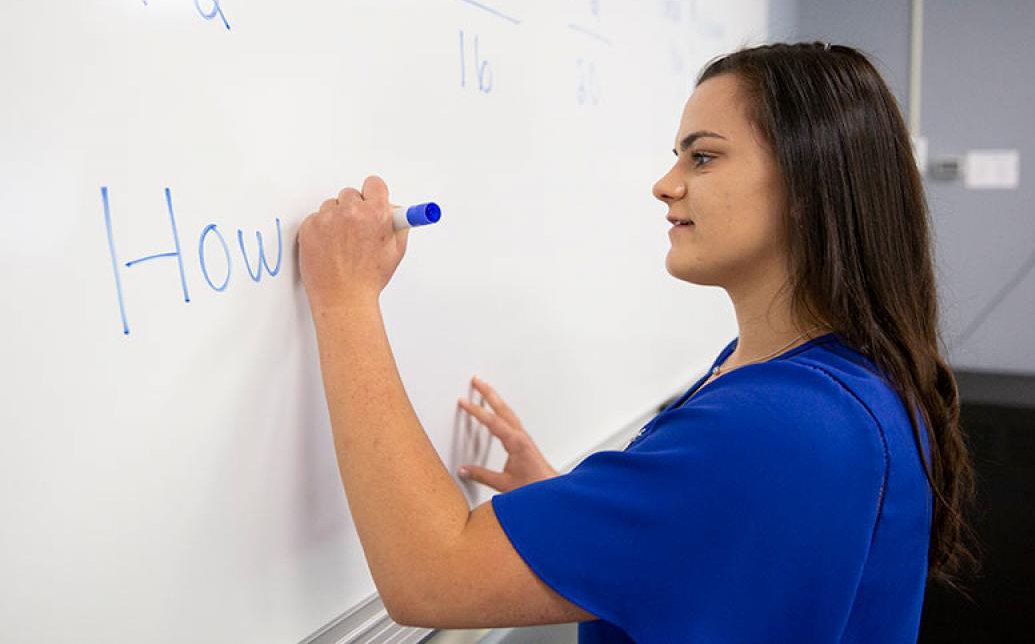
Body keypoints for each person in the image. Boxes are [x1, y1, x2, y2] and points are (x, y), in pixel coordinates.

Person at [296, 42, 979, 642]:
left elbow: (431, 574)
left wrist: (344, 299)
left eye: (703, 157)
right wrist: (581, 515)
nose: (665, 184)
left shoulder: (780, 426)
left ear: (808, 184)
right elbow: (723, 554)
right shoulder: (825, 381)